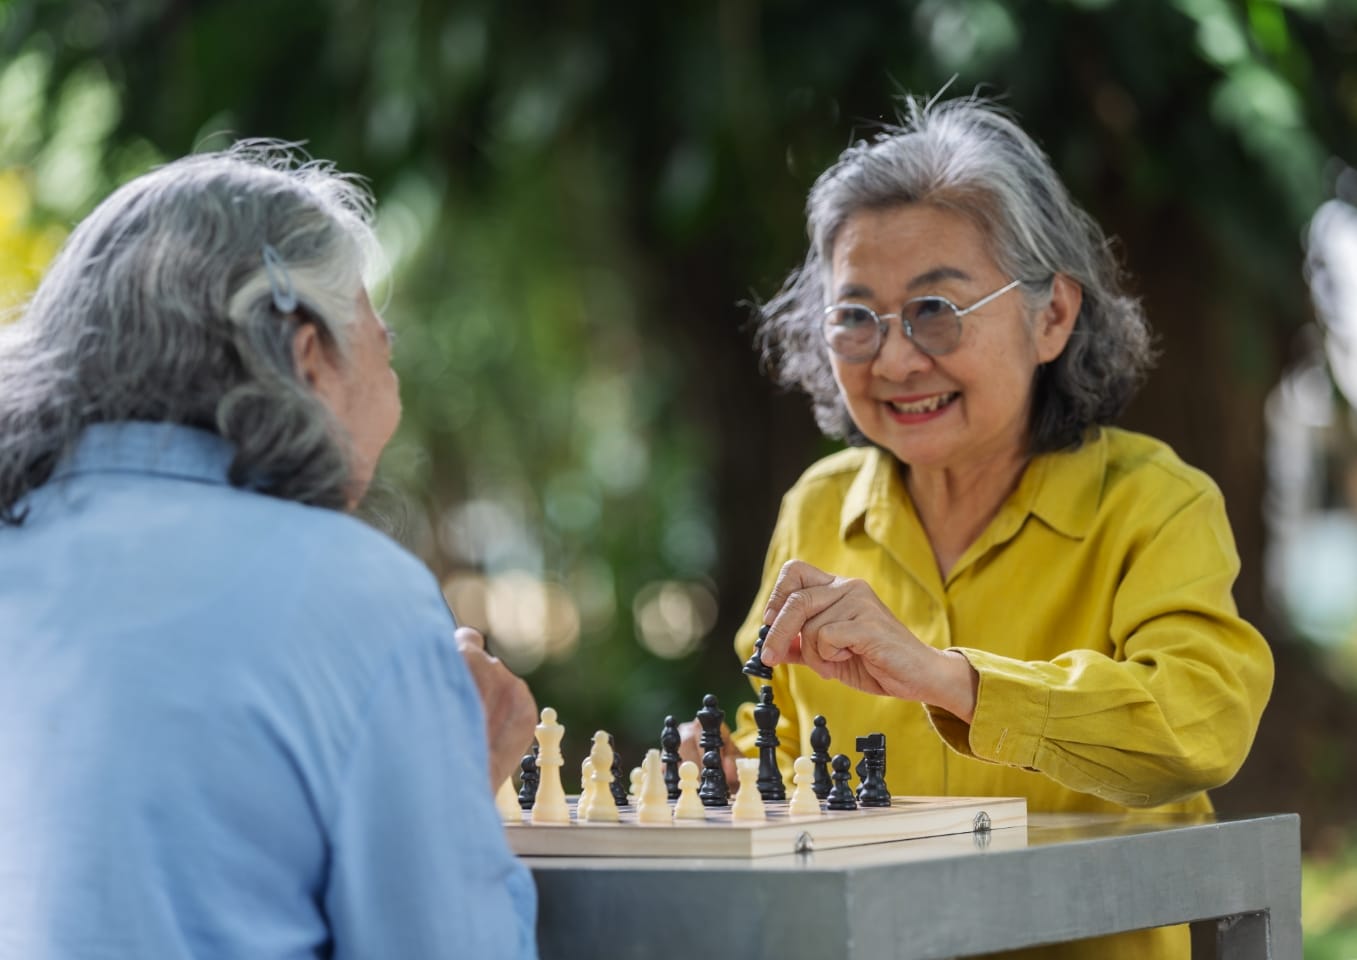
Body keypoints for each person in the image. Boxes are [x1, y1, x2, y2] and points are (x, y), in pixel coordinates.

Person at [729, 96, 1274, 959]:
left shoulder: (1153, 502)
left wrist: (951, 680)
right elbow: (784, 749)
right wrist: (721, 777)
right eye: (854, 317)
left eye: (935, 310)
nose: (897, 358)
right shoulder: (816, 508)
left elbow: (1199, 726)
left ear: (1050, 316)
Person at [0, 144, 540, 958]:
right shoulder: (359, 600)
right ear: (307, 355)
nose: (392, 390)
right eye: (381, 346)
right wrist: (448, 796)